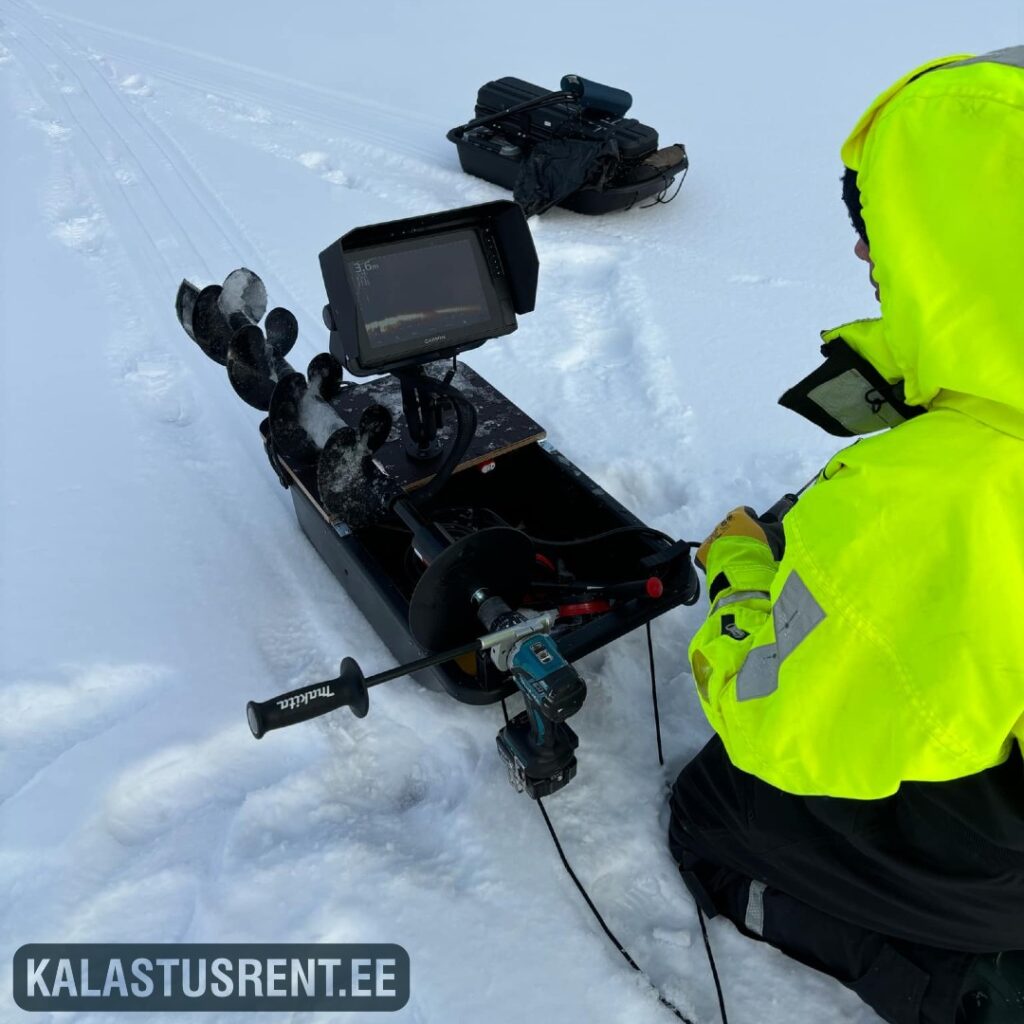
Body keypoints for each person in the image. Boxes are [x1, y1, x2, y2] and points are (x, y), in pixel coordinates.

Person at [668, 47, 1024, 1024]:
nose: (866, 258)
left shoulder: (942, 494)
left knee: (714, 807)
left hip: (994, 868)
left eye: (887, 227)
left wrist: (739, 573)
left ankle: (943, 970)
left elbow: (767, 710)